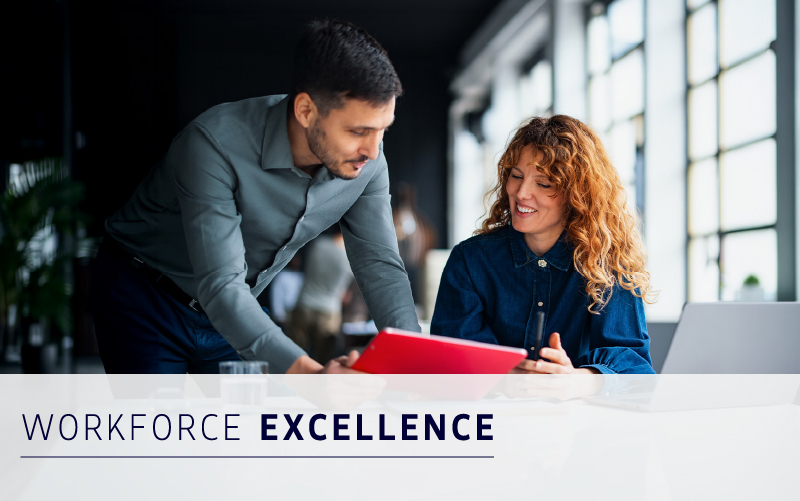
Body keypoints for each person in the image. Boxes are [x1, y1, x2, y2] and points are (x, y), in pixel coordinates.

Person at [89, 20, 420, 375]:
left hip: (235, 310)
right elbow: (221, 284)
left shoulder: (367, 161)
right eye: (359, 131)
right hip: (146, 296)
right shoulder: (213, 143)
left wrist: (415, 366)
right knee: (161, 427)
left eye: (383, 130)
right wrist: (313, 377)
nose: (372, 150)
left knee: (253, 426)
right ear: (306, 111)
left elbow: (380, 267)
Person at [431, 115, 655, 375]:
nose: (521, 192)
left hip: (578, 415)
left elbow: (637, 370)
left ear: (577, 195)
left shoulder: (607, 262)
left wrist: (576, 379)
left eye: (543, 183)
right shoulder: (470, 260)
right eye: (516, 175)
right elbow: (450, 359)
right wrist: (514, 377)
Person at [291, 226, 353, 363]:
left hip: (303, 305)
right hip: (329, 312)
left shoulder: (319, 244)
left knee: (294, 360)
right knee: (325, 364)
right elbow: (344, 293)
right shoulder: (349, 258)